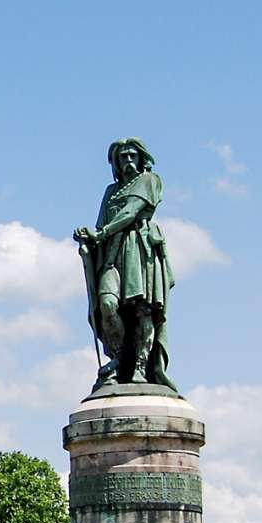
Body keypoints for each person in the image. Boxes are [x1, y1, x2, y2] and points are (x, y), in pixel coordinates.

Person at [73, 138, 176, 390]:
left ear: (141, 158)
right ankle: (119, 359)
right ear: (116, 163)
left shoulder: (149, 181)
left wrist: (103, 232)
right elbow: (100, 226)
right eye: (123, 157)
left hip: (138, 248)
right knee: (107, 304)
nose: (128, 161)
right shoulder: (110, 191)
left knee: (142, 309)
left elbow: (131, 212)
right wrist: (88, 237)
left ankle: (141, 367)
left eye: (132, 156)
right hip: (111, 253)